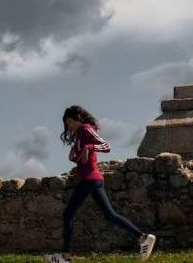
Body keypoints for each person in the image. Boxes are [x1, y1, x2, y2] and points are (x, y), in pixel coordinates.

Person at [44, 105, 156, 262]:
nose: (68, 126)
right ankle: (143, 237)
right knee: (110, 215)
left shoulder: (86, 129)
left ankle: (65, 257)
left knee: (68, 214)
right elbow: (85, 159)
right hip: (92, 179)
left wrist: (89, 147)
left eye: (69, 122)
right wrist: (74, 156)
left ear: (78, 118)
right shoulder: (80, 135)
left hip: (90, 179)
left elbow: (106, 146)